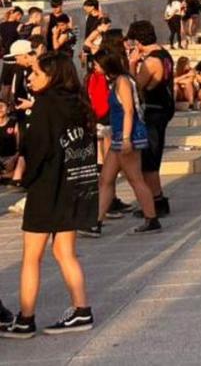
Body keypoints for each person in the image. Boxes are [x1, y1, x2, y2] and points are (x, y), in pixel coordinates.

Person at [1, 52, 98, 339]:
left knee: (32, 256)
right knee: (64, 252)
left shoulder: (45, 105)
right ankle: (81, 310)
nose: (30, 77)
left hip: (47, 187)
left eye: (36, 73)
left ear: (52, 76)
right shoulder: (78, 103)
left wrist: (22, 177)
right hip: (73, 184)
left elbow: (37, 149)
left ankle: (26, 318)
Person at [86, 46, 160, 237]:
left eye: (96, 64)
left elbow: (129, 110)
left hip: (128, 135)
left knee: (135, 179)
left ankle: (151, 218)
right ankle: (96, 222)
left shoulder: (123, 81)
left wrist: (127, 138)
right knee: (106, 179)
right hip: (119, 134)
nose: (94, 67)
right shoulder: (116, 81)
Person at [126, 21, 174, 219]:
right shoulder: (164, 54)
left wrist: (131, 64)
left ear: (138, 42)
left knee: (149, 160)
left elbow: (135, 87)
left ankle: (157, 200)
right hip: (164, 107)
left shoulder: (151, 61)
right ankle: (157, 199)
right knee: (151, 157)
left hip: (154, 111)